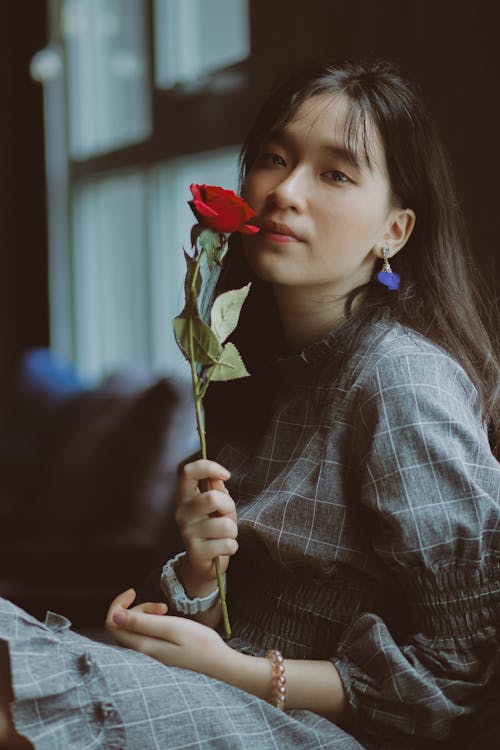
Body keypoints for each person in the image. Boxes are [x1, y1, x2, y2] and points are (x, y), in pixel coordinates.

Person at [1, 59, 499, 750]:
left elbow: (457, 680)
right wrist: (196, 579)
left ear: (396, 229)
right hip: (220, 699)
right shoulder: (254, 369)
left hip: (309, 731)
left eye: (336, 173)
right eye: (274, 157)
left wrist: (245, 674)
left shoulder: (400, 380)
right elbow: (229, 621)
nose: (285, 190)